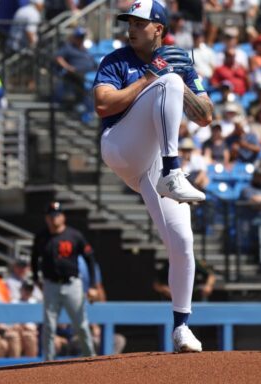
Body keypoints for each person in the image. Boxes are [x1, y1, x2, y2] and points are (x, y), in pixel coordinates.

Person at [93, 0, 213, 352]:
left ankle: (181, 327)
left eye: (139, 23)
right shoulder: (117, 60)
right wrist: (152, 78)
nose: (131, 28)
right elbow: (102, 104)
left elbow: (205, 115)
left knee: (182, 242)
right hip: (120, 145)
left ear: (158, 28)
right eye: (129, 21)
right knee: (167, 82)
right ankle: (174, 172)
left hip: (153, 163)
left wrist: (180, 84)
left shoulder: (178, 59)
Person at [31, 202, 97, 360]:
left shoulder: (74, 235)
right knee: (49, 326)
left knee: (81, 324)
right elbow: (34, 259)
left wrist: (93, 285)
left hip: (72, 283)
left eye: (57, 215)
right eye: (51, 216)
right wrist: (36, 279)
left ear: (63, 217)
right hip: (51, 284)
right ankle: (48, 360)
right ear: (46, 218)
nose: (54, 219)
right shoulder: (41, 237)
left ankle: (91, 357)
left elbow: (90, 259)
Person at [55, 27, 97, 105]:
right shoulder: (68, 47)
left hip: (90, 72)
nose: (81, 39)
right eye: (79, 37)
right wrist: (68, 67)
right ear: (74, 37)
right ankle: (81, 103)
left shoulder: (85, 48)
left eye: (82, 37)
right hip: (76, 74)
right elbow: (58, 58)